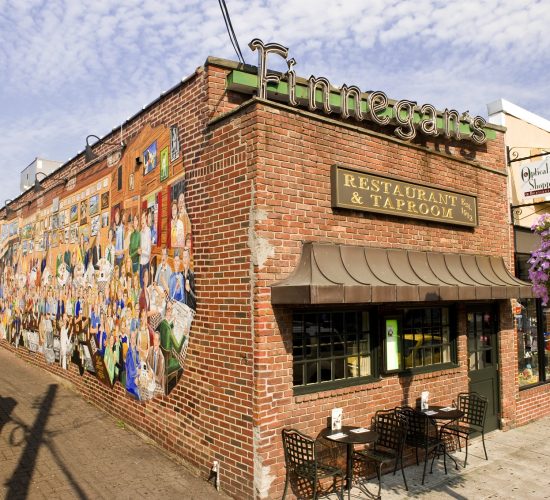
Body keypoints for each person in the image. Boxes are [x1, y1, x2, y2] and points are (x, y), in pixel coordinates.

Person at [125, 330, 140, 400]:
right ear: (130, 340)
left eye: (134, 338)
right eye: (132, 338)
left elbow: (139, 363)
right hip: (131, 383)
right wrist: (137, 375)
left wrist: (138, 372)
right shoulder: (129, 353)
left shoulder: (135, 351)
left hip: (136, 379)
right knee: (140, 396)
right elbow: (131, 372)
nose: (134, 340)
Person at [139, 211, 151, 288]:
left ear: (146, 218)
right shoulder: (140, 232)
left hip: (146, 263)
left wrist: (142, 251)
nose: (142, 220)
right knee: (141, 285)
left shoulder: (148, 231)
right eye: (141, 218)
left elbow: (148, 251)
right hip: (141, 263)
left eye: (143, 218)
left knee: (145, 286)